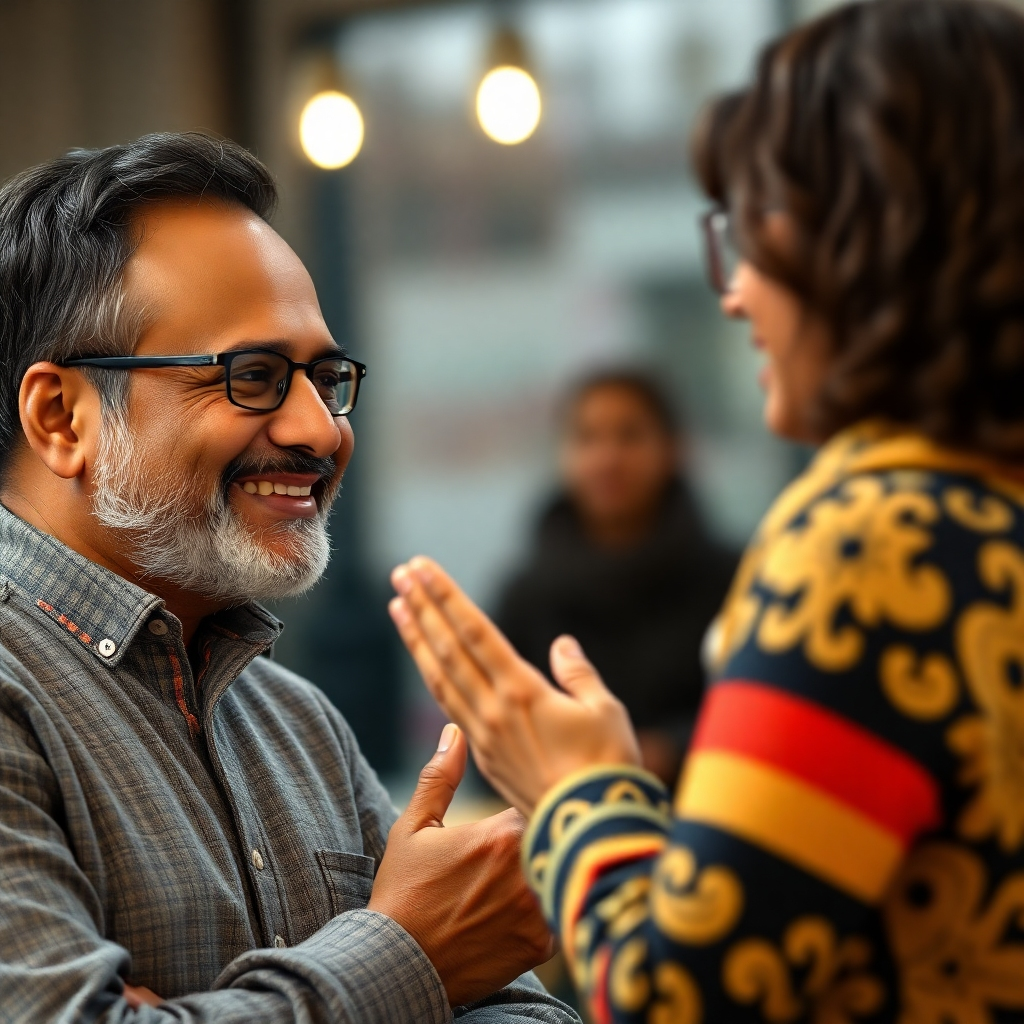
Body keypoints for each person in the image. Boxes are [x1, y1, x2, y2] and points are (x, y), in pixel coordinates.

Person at [387, 1, 1024, 1021]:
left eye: (758, 232)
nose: (733, 296)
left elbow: (681, 997)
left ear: (873, 236)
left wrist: (574, 789)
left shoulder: (872, 545)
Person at [0, 132, 580, 1024]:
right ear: (60, 416)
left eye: (326, 377)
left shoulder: (297, 722)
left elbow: (525, 1013)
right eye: (254, 376)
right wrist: (410, 959)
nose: (320, 430)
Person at [496, 371, 735, 785]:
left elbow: (755, 714)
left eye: (630, 435)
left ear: (673, 448)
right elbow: (494, 732)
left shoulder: (730, 579)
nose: (608, 457)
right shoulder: (528, 593)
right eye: (587, 437)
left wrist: (669, 751)